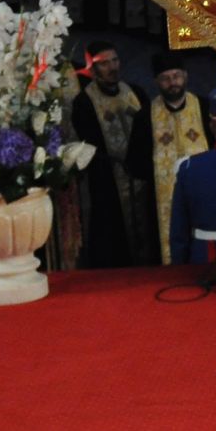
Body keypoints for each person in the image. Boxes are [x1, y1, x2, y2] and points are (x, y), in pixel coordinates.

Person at [130, 51, 213, 265]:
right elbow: (135, 162)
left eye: (176, 76)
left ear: (185, 76)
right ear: (157, 81)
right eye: (166, 78)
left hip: (201, 189)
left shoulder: (204, 107)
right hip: (161, 198)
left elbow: (215, 147)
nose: (172, 83)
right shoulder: (145, 116)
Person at [70, 41, 148, 266]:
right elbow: (89, 144)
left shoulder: (135, 92)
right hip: (108, 180)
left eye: (115, 61)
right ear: (92, 69)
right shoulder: (84, 102)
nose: (113, 68)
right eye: (104, 64)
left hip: (139, 176)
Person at [167, 90, 216, 265]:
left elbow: (179, 232)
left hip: (205, 258)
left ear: (211, 126)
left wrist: (179, 267)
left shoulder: (189, 167)